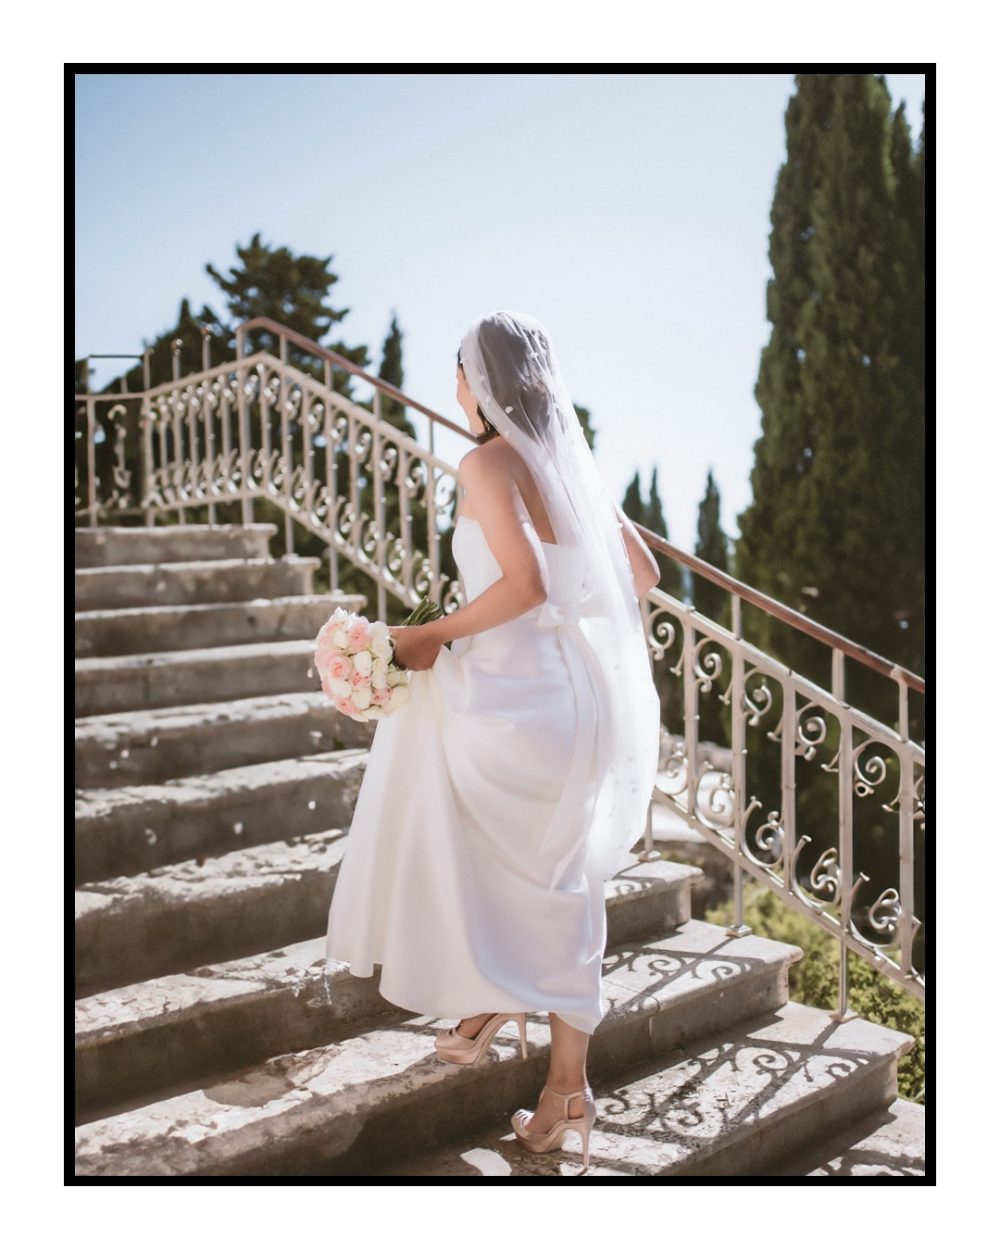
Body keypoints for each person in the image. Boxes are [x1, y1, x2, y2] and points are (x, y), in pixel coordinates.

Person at [325, 310, 661, 1170]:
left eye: (462, 373)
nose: (457, 388)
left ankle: (487, 1003)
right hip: (579, 704)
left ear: (481, 382)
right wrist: (559, 612)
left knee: (432, 790)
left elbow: (520, 582)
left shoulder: (484, 461)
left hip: (515, 705)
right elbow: (643, 576)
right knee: (562, 882)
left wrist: (432, 633)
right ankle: (562, 1092)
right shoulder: (563, 466)